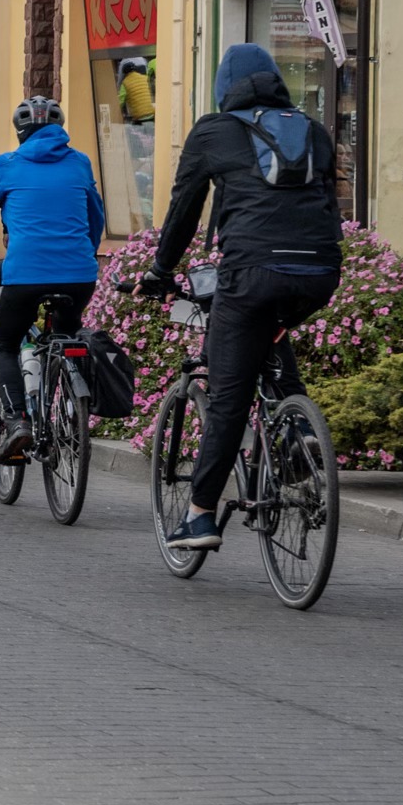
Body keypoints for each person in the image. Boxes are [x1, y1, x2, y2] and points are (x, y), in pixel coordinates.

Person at [135, 43, 342, 552]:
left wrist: (160, 270)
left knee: (229, 398)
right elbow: (329, 207)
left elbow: (185, 209)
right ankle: (298, 428)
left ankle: (200, 516)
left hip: (251, 272)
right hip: (319, 273)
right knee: (268, 329)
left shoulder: (213, 130)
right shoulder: (313, 130)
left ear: (223, 87)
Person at [0, 97, 105, 464]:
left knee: (3, 345)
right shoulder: (80, 162)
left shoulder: (8, 164)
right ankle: (70, 408)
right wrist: (86, 252)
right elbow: (95, 216)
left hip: (26, 274)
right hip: (79, 275)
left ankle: (17, 420)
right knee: (68, 336)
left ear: (20, 132)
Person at [118, 55, 156, 124]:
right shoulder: (144, 77)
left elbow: (120, 102)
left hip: (139, 118)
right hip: (152, 115)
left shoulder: (124, 83)